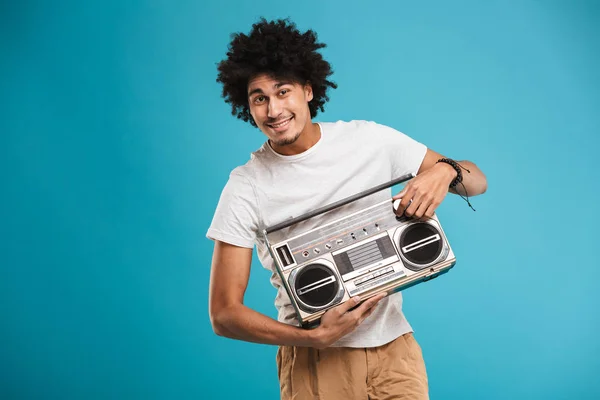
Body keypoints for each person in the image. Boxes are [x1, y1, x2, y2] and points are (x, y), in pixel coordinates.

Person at [207, 18, 487, 400]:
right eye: (259, 98)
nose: (273, 109)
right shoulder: (246, 185)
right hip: (316, 361)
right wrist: (315, 338)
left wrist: (443, 171)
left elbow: (476, 181)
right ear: (248, 108)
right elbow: (224, 313)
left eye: (283, 91)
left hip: (395, 349)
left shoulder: (369, 140)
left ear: (308, 90)